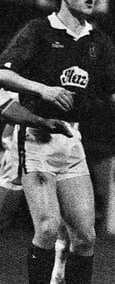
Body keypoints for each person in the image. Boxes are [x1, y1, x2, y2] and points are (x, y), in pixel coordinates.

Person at [0, 0, 115, 284]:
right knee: (45, 227)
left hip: (70, 140)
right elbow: (3, 73)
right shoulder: (38, 31)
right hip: (34, 135)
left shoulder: (98, 42)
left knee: (85, 237)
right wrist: (43, 89)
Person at [0, 89, 72, 283]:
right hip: (24, 144)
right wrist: (8, 140)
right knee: (5, 209)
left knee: (65, 219)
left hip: (63, 146)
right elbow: (9, 105)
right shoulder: (28, 71)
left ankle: (58, 272)